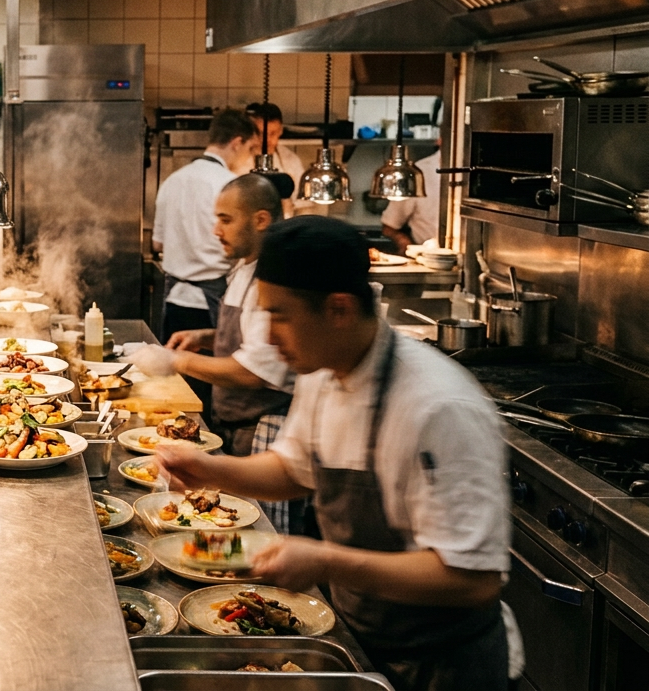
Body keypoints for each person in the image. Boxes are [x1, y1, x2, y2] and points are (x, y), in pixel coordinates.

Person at [156, 216, 510, 691]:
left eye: (279, 316)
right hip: (361, 642)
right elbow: (293, 469)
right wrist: (210, 470)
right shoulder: (323, 371)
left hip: (442, 666)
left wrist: (326, 561)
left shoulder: (438, 406)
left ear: (338, 309)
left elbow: (474, 579)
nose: (269, 337)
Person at [132, 175, 304, 531]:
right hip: (236, 428)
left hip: (263, 432)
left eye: (226, 220)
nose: (216, 230)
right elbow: (249, 339)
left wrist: (175, 361)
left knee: (261, 533)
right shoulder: (244, 268)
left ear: (260, 219)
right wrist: (208, 337)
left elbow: (253, 371)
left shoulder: (271, 277)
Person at [152, 108, 259, 335]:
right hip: (213, 302)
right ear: (237, 143)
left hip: (174, 302)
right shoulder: (231, 186)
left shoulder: (172, 181)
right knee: (214, 357)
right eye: (250, 148)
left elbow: (157, 244)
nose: (249, 157)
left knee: (174, 356)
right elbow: (244, 247)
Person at [245, 102, 303, 217]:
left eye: (272, 133)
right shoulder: (238, 159)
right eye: (261, 133)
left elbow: (303, 206)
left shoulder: (291, 161)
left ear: (281, 131)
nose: (266, 140)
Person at [382, 146, 442, 252]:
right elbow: (389, 226)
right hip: (424, 255)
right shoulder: (420, 171)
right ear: (439, 140)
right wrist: (402, 240)